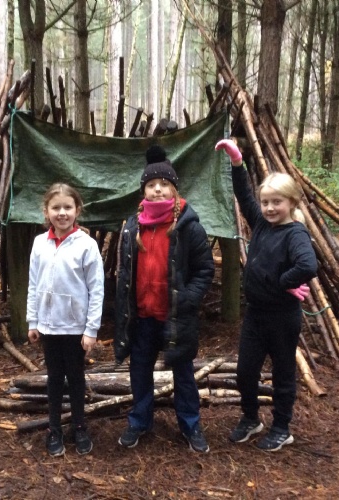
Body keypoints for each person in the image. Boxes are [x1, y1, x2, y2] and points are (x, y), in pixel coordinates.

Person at [215, 139, 317, 451]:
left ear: (292, 203)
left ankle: (282, 427)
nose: (270, 208)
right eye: (266, 202)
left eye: (277, 202)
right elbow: (244, 195)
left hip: (283, 317)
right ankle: (251, 418)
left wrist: (284, 282)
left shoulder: (295, 233)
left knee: (283, 372)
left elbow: (307, 265)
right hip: (256, 315)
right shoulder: (261, 224)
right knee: (246, 371)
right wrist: (237, 163)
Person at [114, 145, 214, 453]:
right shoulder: (132, 227)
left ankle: (190, 424)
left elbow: (204, 270)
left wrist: (188, 299)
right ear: (143, 190)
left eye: (164, 184)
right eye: (151, 185)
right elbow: (126, 272)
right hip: (143, 317)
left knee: (183, 374)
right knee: (140, 371)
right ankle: (139, 421)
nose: (157, 189)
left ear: (174, 189)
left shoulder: (188, 227)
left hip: (175, 316)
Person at [26, 183, 104, 457]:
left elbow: (96, 289)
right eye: (56, 207)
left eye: (67, 207)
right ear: (46, 211)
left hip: (75, 327)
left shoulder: (86, 245)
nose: (62, 213)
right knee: (54, 378)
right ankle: (54, 427)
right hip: (48, 326)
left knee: (76, 377)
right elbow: (33, 284)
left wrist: (91, 329)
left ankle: (79, 426)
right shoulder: (40, 243)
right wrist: (33, 321)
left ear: (77, 210)